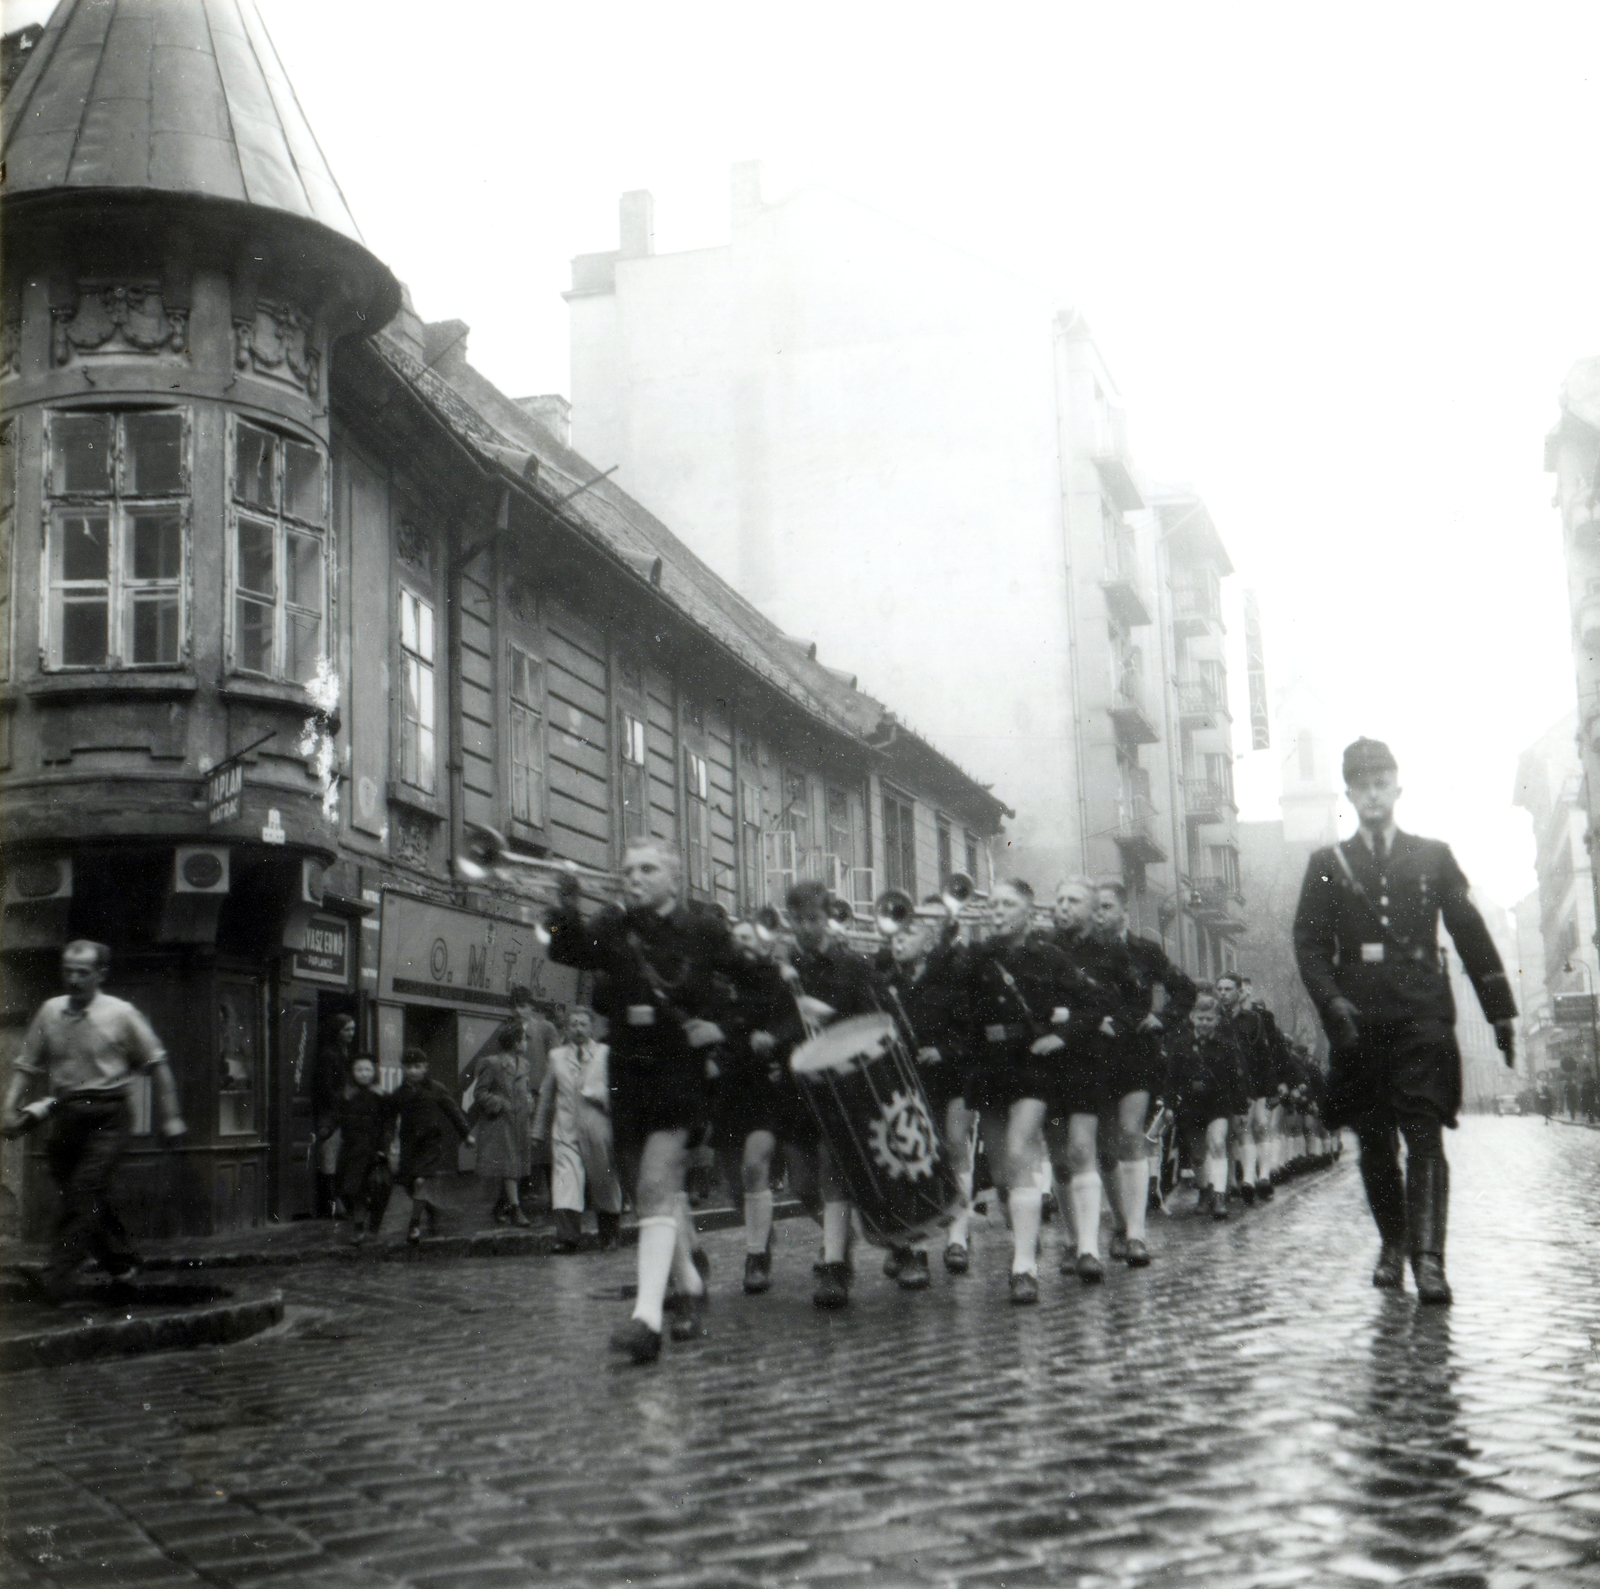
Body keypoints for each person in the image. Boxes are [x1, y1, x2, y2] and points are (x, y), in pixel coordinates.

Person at [1293, 737, 1516, 1305]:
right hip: (1359, 1019)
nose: (1372, 794)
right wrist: (1331, 1001)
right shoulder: (1326, 865)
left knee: (1423, 1131)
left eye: (1381, 783)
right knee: (1374, 1141)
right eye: (1361, 785)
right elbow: (1309, 943)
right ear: (1349, 794)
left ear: (1397, 789)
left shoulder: (1433, 856)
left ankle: (1429, 1260)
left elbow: (1470, 933)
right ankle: (1393, 1243)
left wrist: (1499, 1011)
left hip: (1422, 1013)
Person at [547, 840, 738, 1362]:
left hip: (680, 1069)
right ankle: (689, 1283)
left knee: (655, 1185)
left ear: (674, 879)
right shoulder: (614, 924)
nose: (633, 877)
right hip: (628, 1072)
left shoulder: (702, 928)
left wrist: (722, 1029)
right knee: (648, 1194)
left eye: (647, 869)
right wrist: (567, 905)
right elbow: (568, 952)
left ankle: (647, 1320)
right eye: (628, 869)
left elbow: (752, 986)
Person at [2, 941, 186, 1303]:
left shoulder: (122, 1014)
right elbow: (26, 1065)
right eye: (68, 971)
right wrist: (9, 1107)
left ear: (101, 974)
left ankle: (57, 1278)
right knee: (83, 1195)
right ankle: (121, 1263)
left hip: (109, 1115)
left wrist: (172, 1117)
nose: (73, 979)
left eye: (82, 972)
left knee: (84, 1190)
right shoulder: (50, 1012)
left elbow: (158, 1064)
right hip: (66, 1115)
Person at [963, 878, 1084, 1301]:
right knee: (1001, 1177)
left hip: (1032, 1065)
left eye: (1007, 905)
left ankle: (1024, 1268)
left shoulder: (1049, 956)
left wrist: (1061, 1036)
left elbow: (1091, 1003)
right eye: (993, 904)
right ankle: (1025, 1241)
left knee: (1020, 1153)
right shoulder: (975, 957)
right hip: (990, 1066)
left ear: (1028, 913)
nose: (997, 911)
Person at [781, 879, 885, 1310]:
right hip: (796, 1087)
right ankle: (840, 1239)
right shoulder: (783, 967)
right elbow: (771, 1019)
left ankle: (836, 1266)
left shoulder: (852, 965)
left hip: (841, 1086)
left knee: (831, 1170)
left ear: (826, 918)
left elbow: (876, 1018)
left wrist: (832, 1018)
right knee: (802, 1183)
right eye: (798, 920)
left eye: (813, 919)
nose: (806, 928)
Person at [1036, 876, 1142, 1281]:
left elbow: (1131, 1001)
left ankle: (1095, 1244)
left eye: (1074, 901)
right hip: (1048, 1061)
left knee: (1089, 1149)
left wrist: (1114, 1025)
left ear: (1093, 908)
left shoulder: (1110, 951)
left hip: (1092, 1060)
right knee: (1059, 1157)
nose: (1064, 907)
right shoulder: (1042, 948)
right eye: (1060, 899)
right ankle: (1072, 1238)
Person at [1091, 880, 1197, 1266]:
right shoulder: (1083, 952)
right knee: (1105, 1149)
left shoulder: (1145, 951)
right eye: (1095, 907)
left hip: (1135, 1053)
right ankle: (1121, 1223)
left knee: (1130, 1135)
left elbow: (1184, 990)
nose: (1098, 914)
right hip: (1095, 1053)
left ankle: (1137, 1234)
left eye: (1106, 907)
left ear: (1123, 911)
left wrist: (1162, 1018)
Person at [710, 920, 810, 1294]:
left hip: (764, 1087)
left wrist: (773, 1037)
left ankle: (756, 1258)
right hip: (726, 1090)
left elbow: (796, 1020)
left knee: (754, 1166)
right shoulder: (717, 983)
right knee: (735, 1187)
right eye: (736, 939)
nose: (743, 945)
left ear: (761, 944)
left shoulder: (775, 979)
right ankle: (761, 1233)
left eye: (748, 938)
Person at [879, 903, 972, 1285]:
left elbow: (970, 1028)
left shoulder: (950, 976)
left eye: (909, 934)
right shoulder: (887, 984)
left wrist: (945, 1050)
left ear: (930, 940)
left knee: (954, 1146)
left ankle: (957, 1237)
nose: (898, 942)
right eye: (895, 936)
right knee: (913, 1158)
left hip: (953, 1076)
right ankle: (915, 1247)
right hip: (910, 1080)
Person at [533, 1006, 623, 1251]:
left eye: (583, 1024)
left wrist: (601, 1095)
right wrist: (538, 1131)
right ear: (566, 1028)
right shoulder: (556, 1057)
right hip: (566, 1129)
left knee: (604, 1181)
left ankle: (610, 1235)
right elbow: (546, 1095)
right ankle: (567, 1238)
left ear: (591, 1027)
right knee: (566, 1181)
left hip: (597, 1128)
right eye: (573, 1024)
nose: (578, 1029)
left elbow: (619, 1090)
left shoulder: (605, 1054)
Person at [1164, 993, 1249, 1218]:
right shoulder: (1180, 1044)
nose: (1204, 1023)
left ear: (1217, 1020)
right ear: (1192, 1017)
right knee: (1198, 1155)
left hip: (1218, 1103)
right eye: (1201, 1018)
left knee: (1217, 1144)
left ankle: (1219, 1197)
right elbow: (1171, 1078)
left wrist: (1241, 1109)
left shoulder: (1226, 1046)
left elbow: (1236, 1079)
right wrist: (1170, 1105)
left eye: (1209, 1019)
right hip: (1190, 1105)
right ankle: (1204, 1192)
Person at [393, 1047, 472, 1243]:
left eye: (417, 1066)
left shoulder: (436, 1088)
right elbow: (389, 1119)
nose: (413, 1071)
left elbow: (453, 1111)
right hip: (409, 1145)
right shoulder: (400, 1093)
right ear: (403, 1068)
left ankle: (414, 1226)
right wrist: (389, 1141)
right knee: (409, 1185)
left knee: (420, 1181)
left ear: (425, 1067)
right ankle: (430, 1208)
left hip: (430, 1144)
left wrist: (466, 1134)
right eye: (408, 1067)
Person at [318, 1054, 398, 1243]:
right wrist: (325, 1129)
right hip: (352, 1150)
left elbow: (389, 1124)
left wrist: (384, 1146)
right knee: (353, 1190)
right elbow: (334, 1116)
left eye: (367, 1069)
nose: (363, 1074)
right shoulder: (346, 1097)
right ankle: (359, 1227)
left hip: (375, 1151)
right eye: (359, 1070)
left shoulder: (382, 1096)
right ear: (352, 1073)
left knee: (380, 1189)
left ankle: (373, 1227)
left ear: (374, 1072)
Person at [471, 1025, 535, 1227]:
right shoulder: (492, 1063)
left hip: (521, 1122)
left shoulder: (524, 1064)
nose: (525, 1043)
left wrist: (529, 1101)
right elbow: (479, 1093)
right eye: (523, 1039)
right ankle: (516, 1210)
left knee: (515, 1167)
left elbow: (525, 1089)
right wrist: (499, 1103)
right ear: (516, 1043)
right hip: (501, 1123)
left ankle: (500, 1206)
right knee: (510, 1167)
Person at [312, 1012, 357, 1216]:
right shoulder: (329, 1054)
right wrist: (344, 1100)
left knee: (340, 1159)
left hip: (342, 1114)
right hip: (331, 1115)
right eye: (347, 1030)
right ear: (336, 1031)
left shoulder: (345, 1051)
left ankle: (339, 1201)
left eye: (353, 1029)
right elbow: (326, 1088)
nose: (351, 1033)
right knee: (329, 1159)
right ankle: (331, 1204)